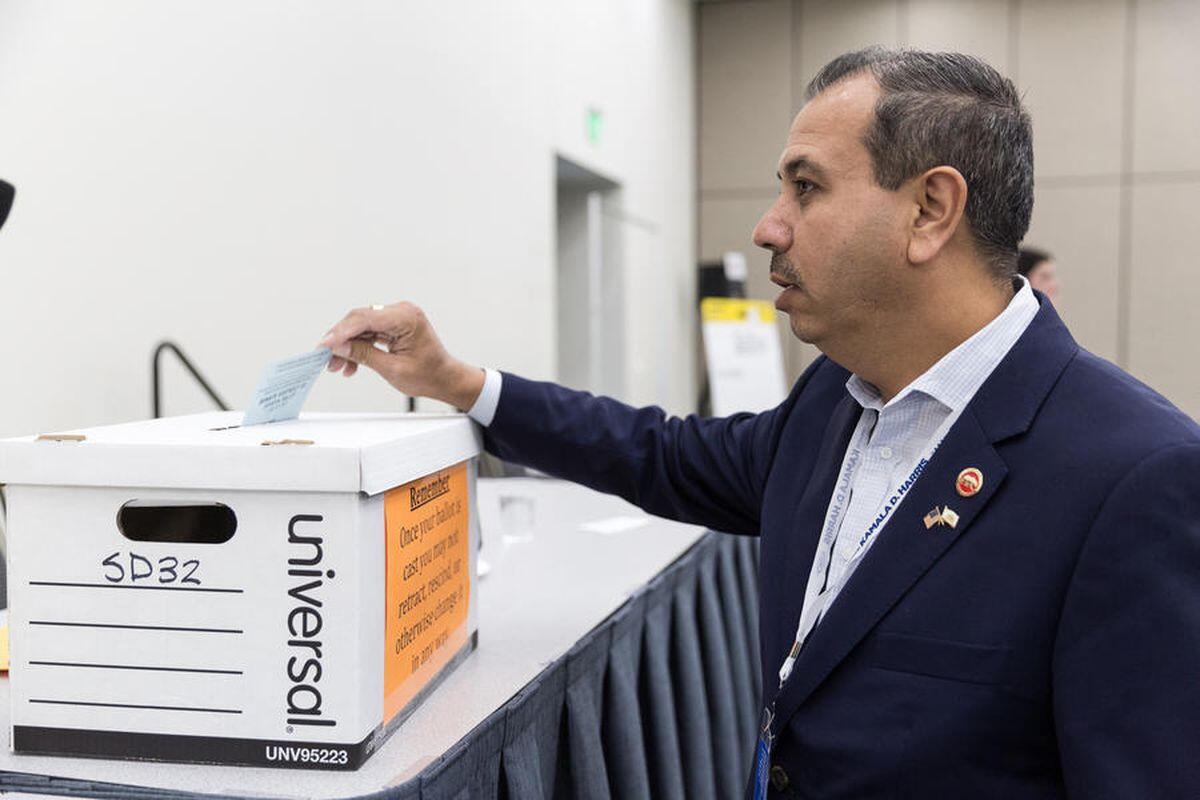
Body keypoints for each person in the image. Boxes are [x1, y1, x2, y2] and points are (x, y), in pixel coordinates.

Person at [320, 48, 1200, 799]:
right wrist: (458, 382)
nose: (768, 226)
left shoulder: (1132, 478)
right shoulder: (835, 399)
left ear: (931, 210)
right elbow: (662, 453)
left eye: (805, 187)